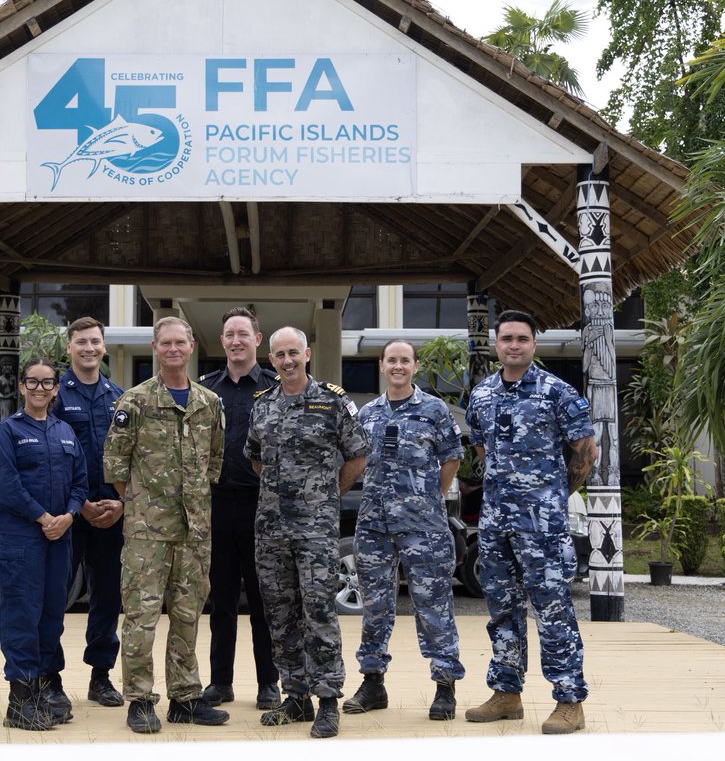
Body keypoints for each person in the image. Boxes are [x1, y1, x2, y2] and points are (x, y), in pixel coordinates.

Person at [463, 310, 597, 735]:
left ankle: (569, 700)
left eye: (522, 338)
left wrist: (554, 497)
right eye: (507, 339)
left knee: (553, 609)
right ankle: (506, 694)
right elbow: (482, 450)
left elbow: (585, 452)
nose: (514, 345)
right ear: (497, 344)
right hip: (496, 522)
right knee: (501, 610)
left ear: (533, 344)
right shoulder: (482, 394)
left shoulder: (557, 392)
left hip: (543, 525)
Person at [103, 316, 228, 734]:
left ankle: (185, 698)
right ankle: (139, 699)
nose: (173, 349)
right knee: (141, 617)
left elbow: (214, 463)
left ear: (192, 346)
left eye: (180, 342)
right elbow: (117, 466)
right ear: (156, 349)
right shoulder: (134, 401)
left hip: (195, 532)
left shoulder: (208, 402)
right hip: (147, 532)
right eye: (165, 343)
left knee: (189, 615)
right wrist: (142, 505)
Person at [245, 326, 370, 739]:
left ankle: (328, 699)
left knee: (319, 611)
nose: (286, 360)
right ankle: (295, 694)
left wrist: (329, 494)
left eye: (293, 353)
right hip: (271, 528)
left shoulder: (332, 402)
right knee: (280, 614)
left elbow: (357, 454)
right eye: (279, 354)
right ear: (271, 360)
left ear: (307, 353)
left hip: (315, 530)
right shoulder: (262, 406)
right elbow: (255, 459)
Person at [345, 339, 466, 720]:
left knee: (433, 607)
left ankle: (444, 686)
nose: (398, 366)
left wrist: (430, 498)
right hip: (374, 525)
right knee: (375, 607)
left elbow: (451, 458)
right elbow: (357, 459)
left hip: (423, 527)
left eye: (405, 361)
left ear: (415, 366)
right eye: (391, 360)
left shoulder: (433, 410)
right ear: (382, 366)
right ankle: (372, 683)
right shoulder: (367, 413)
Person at [0, 358, 88, 731]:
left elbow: (80, 481)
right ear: (22, 387)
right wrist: (44, 518)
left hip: (59, 538)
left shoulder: (65, 432)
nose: (40, 389)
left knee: (51, 616)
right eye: (33, 382)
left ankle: (46, 689)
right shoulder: (8, 432)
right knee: (21, 617)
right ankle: (20, 700)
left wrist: (70, 515)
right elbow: (6, 485)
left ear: (57, 389)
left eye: (48, 383)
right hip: (22, 539)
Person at [198, 307, 281, 711]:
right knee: (222, 602)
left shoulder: (275, 386)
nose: (235, 341)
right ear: (222, 341)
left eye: (243, 334)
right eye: (229, 334)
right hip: (216, 505)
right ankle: (220, 682)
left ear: (257, 340)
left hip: (261, 507)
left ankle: (269, 682)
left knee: (265, 601)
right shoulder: (206, 389)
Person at [49, 316, 126, 708]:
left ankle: (101, 676)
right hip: (69, 514)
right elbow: (49, 457)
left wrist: (121, 502)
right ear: (69, 347)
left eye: (95, 341)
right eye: (81, 342)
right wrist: (79, 505)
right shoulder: (55, 394)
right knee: (56, 595)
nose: (89, 348)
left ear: (104, 346)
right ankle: (50, 677)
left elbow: (134, 456)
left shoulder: (120, 397)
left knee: (108, 597)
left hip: (112, 513)